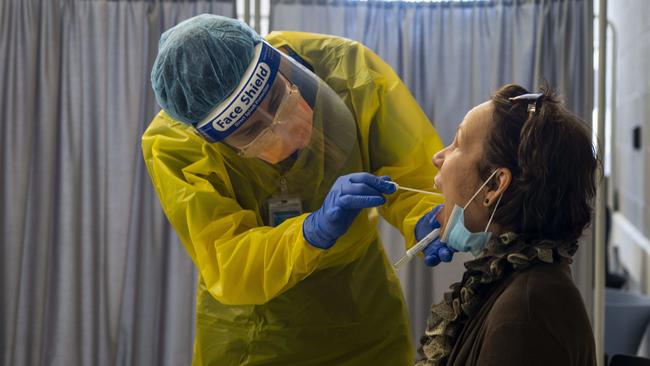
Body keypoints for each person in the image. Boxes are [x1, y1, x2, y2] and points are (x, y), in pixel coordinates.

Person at [142, 14, 448, 365]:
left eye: (275, 98)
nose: (283, 130)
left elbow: (407, 168)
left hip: (362, 311)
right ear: (211, 138)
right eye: (250, 131)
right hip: (256, 331)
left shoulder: (347, 70)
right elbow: (228, 257)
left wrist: (424, 213)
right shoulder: (176, 146)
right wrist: (309, 232)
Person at [415, 84, 598, 366]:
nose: (438, 157)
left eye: (458, 144)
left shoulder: (525, 314)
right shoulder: (517, 283)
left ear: (494, 185)